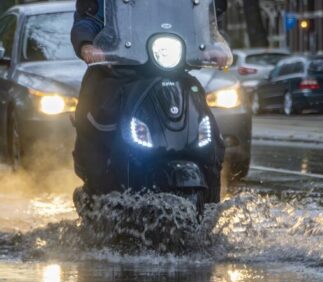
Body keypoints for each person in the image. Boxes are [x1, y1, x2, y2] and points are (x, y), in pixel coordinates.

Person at [69, 0, 227, 193]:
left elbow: (199, 19)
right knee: (99, 109)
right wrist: (87, 44)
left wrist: (212, 43)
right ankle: (98, 189)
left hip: (170, 70)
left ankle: (211, 196)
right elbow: (89, 19)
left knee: (206, 122)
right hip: (120, 70)